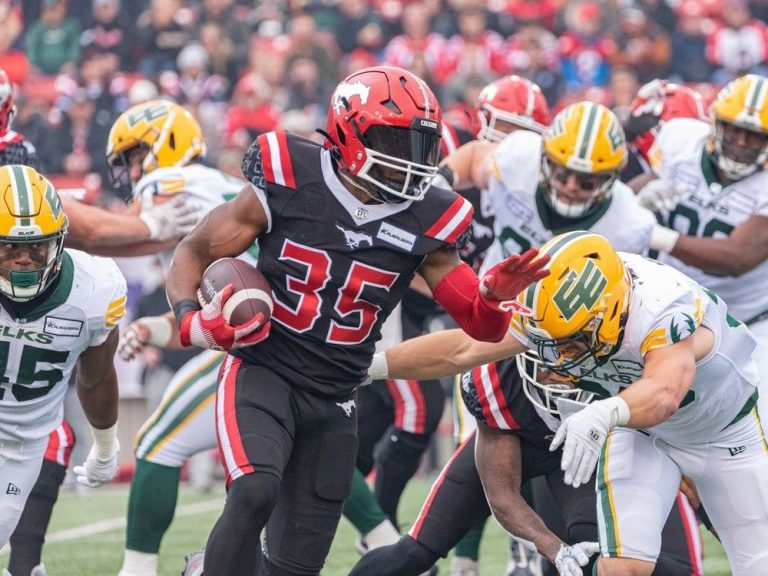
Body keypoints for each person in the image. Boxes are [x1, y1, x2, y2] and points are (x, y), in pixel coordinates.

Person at [166, 65, 549, 576]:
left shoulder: (428, 214)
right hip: (265, 371)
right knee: (254, 491)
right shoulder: (291, 172)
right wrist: (192, 321)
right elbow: (195, 248)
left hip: (337, 394)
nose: (411, 159)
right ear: (349, 134)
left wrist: (494, 299)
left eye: (420, 143)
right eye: (396, 141)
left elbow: (479, 326)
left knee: (291, 569)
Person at [352, 101, 699, 576]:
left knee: (597, 553)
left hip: (580, 398)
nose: (572, 187)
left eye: (588, 180)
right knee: (421, 547)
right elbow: (462, 352)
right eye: (563, 173)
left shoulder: (627, 228)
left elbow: (623, 325)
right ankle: (483, 561)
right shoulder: (504, 363)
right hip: (511, 325)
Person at [370, 231, 768, 575]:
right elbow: (461, 349)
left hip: (724, 430)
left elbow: (665, 392)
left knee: (757, 561)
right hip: (641, 432)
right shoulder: (564, 314)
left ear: (608, 314)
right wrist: (370, 366)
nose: (556, 360)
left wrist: (604, 411)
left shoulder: (663, 307)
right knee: (622, 567)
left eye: (569, 344)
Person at [352, 75, 549, 555]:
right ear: (483, 121)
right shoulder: (460, 158)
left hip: (472, 307)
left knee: (385, 419)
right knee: (424, 410)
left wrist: (470, 299)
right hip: (408, 291)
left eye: (525, 130)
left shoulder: (531, 178)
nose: (513, 139)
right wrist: (456, 294)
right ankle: (379, 532)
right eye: (505, 126)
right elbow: (413, 241)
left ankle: (377, 521)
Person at [0, 164, 127, 550]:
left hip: (21, 443)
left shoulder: (94, 289)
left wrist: (105, 444)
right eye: (10, 247)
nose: (24, 259)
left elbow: (97, 377)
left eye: (36, 245)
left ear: (59, 241)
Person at [636, 73, 768, 429]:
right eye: (734, 129)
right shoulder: (681, 140)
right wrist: (634, 203)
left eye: (754, 135)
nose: (741, 142)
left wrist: (658, 234)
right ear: (715, 124)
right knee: (647, 414)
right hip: (667, 310)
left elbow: (736, 258)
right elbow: (628, 195)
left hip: (748, 325)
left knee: (758, 426)